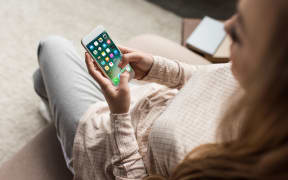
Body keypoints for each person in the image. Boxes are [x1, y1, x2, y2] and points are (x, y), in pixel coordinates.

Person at [32, 0, 288, 179]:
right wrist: (154, 67)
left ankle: (63, 134)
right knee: (43, 79)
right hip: (144, 102)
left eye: (240, 31)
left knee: (51, 46)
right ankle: (54, 108)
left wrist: (119, 114)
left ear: (270, 71)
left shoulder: (226, 167)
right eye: (237, 13)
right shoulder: (262, 86)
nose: (225, 27)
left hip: (108, 148)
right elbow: (208, 78)